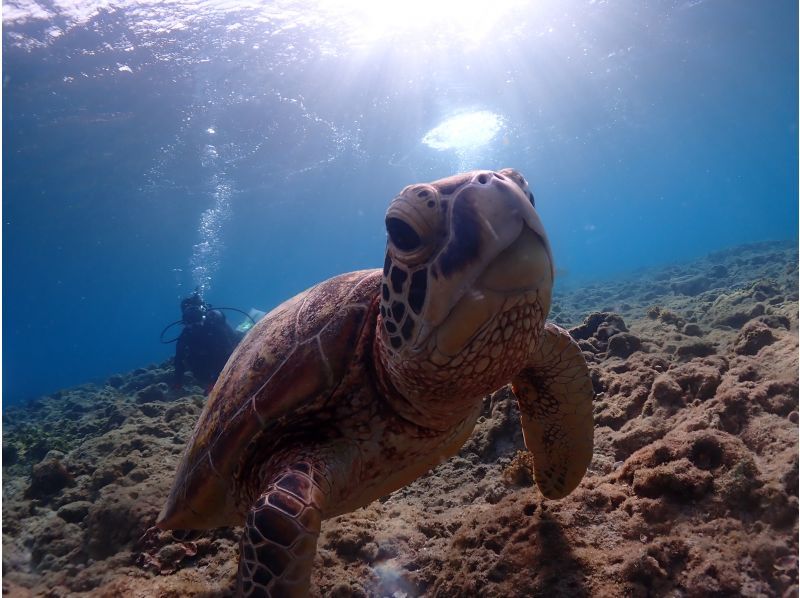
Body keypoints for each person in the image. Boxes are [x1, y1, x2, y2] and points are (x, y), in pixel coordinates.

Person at [172, 291, 243, 391]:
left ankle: (244, 330)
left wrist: (216, 379)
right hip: (207, 365)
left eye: (196, 318)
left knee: (234, 342)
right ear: (185, 321)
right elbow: (178, 359)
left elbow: (229, 348)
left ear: (202, 315)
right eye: (190, 321)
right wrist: (177, 381)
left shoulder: (214, 325)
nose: (195, 325)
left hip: (224, 356)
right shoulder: (186, 335)